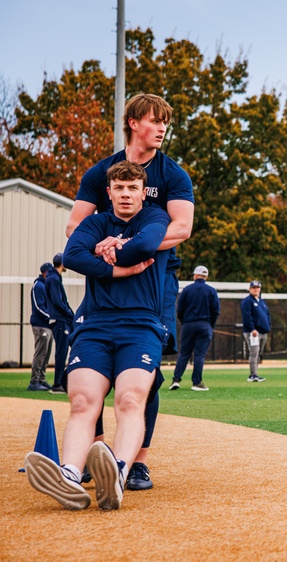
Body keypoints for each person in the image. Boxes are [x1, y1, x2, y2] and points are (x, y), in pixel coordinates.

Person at [24, 160, 171, 511]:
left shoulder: (155, 218)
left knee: (130, 400)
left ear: (142, 192)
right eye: (118, 188)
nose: (125, 194)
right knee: (82, 402)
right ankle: (70, 476)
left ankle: (116, 475)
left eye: (132, 188)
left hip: (141, 325)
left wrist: (106, 248)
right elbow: (72, 256)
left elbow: (146, 245)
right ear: (108, 193)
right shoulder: (94, 222)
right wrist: (117, 268)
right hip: (94, 325)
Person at [67, 93, 194, 491]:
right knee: (92, 366)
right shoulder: (102, 172)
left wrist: (121, 243)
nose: (161, 129)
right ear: (133, 122)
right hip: (106, 279)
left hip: (157, 282)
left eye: (165, 124)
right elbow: (75, 229)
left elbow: (181, 230)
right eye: (155, 121)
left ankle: (136, 462)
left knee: (145, 377)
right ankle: (96, 453)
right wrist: (104, 252)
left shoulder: (172, 174)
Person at [170, 265, 219, 391]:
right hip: (205, 325)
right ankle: (196, 382)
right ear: (206, 276)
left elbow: (180, 309)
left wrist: (185, 321)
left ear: (195, 276)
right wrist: (210, 325)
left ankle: (176, 380)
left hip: (188, 325)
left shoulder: (187, 290)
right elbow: (215, 311)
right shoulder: (211, 291)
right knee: (199, 355)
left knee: (184, 353)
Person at [45, 253, 75, 395]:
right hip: (60, 319)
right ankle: (58, 384)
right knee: (61, 352)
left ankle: (60, 382)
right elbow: (58, 302)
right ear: (62, 264)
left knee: (62, 351)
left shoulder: (53, 278)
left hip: (60, 319)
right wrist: (69, 313)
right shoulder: (54, 279)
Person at [28, 263, 55, 391]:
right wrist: (51, 317)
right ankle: (34, 381)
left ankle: (41, 379)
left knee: (46, 353)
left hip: (48, 325)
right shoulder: (38, 286)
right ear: (45, 273)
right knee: (40, 353)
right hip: (40, 324)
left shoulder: (46, 285)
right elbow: (39, 307)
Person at [241, 280, 270, 382]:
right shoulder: (247, 301)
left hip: (263, 332)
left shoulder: (261, 301)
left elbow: (267, 315)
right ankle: (253, 375)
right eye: (254, 288)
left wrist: (267, 327)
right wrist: (252, 328)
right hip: (253, 332)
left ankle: (255, 373)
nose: (256, 289)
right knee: (254, 352)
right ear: (249, 289)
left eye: (257, 288)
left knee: (259, 353)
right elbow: (247, 316)